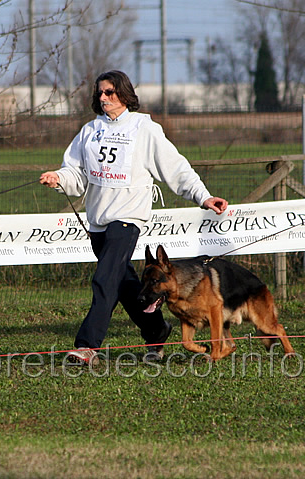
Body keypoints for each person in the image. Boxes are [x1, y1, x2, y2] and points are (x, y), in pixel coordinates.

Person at [40, 70, 228, 365]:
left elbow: (175, 167)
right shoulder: (89, 131)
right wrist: (58, 178)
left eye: (110, 93)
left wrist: (202, 195)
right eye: (100, 93)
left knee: (104, 279)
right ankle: (156, 329)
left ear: (125, 95)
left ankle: (87, 346)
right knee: (125, 285)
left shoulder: (144, 128)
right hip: (98, 221)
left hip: (128, 218)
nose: (103, 98)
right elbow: (75, 173)